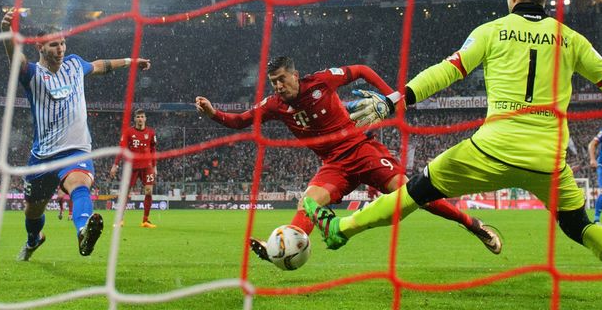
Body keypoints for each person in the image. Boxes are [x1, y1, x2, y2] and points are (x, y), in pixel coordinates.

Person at [304, 0, 602, 305]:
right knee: (579, 226)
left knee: (416, 190)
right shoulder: (571, 38)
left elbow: (446, 71)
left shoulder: (490, 32)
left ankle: (344, 229)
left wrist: (394, 101)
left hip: (492, 147)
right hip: (549, 160)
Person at [195, 56, 501, 267]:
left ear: (295, 75)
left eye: (282, 80)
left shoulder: (321, 82)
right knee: (309, 202)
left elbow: (362, 69)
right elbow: (240, 121)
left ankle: (473, 225)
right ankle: (283, 246)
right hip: (334, 165)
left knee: (411, 192)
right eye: (273, 82)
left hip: (361, 149)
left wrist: (393, 99)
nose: (278, 87)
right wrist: (213, 114)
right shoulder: (274, 105)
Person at [1, 8, 151, 261]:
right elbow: (16, 57)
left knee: (80, 184)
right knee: (32, 212)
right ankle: (33, 240)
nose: (60, 49)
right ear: (40, 46)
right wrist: (7, 31)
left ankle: (83, 232)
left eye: (62, 43)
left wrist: (130, 61)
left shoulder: (74, 63)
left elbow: (100, 66)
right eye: (53, 45)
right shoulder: (32, 75)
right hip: (43, 155)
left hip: (76, 149)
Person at [110, 108, 158, 228]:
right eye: (138, 117)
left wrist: (155, 166)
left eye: (142, 117)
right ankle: (120, 220)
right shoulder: (128, 132)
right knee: (125, 192)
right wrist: (115, 165)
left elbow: (153, 150)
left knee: (149, 191)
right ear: (135, 119)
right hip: (132, 166)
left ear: (145, 119)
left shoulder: (151, 132)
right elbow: (122, 150)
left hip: (147, 166)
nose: (140, 119)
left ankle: (145, 220)